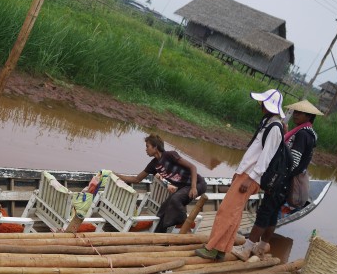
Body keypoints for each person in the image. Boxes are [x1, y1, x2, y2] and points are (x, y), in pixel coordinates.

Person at [195, 89, 285, 260]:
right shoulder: (268, 123)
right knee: (233, 213)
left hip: (250, 177)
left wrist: (250, 178)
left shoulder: (274, 128)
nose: (261, 106)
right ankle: (221, 248)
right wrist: (239, 173)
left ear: (269, 105)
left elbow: (265, 158)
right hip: (245, 174)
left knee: (226, 211)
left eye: (263, 103)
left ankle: (212, 247)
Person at [231, 99, 322, 261]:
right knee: (272, 215)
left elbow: (292, 161)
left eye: (299, 113)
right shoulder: (310, 134)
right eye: (295, 112)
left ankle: (246, 249)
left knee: (264, 213)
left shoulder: (301, 134)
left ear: (309, 116)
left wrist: (278, 179)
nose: (295, 115)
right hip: (287, 183)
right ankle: (260, 248)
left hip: (282, 181)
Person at [116, 134, 207, 233]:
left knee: (175, 199)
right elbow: (137, 179)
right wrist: (117, 175)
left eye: (147, 146)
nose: (146, 149)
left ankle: (186, 228)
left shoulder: (170, 155)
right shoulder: (153, 164)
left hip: (198, 184)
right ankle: (160, 238)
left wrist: (193, 187)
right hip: (183, 188)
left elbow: (193, 167)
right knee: (162, 211)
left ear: (155, 147)